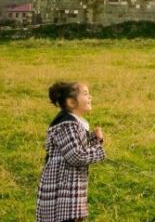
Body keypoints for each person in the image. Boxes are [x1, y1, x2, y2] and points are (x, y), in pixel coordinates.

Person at [37, 81, 106, 222]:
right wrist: (99, 151)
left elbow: (76, 148)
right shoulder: (68, 125)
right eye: (85, 94)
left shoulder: (74, 123)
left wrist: (95, 139)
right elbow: (76, 156)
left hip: (69, 189)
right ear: (71, 102)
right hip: (62, 190)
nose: (90, 97)